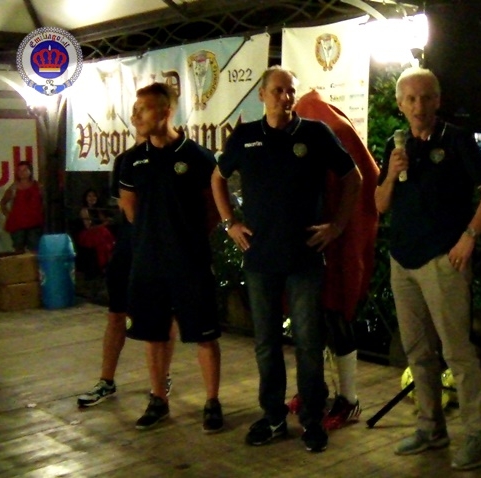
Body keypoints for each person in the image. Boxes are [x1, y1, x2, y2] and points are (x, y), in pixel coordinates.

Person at [210, 66, 362, 453]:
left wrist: (337, 226)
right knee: (266, 344)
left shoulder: (315, 133)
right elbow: (217, 178)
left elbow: (354, 177)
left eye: (290, 91)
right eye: (278, 91)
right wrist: (229, 223)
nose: (285, 97)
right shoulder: (245, 136)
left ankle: (312, 419)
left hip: (305, 257)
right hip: (260, 258)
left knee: (309, 344)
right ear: (262, 95)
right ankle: (274, 417)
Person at [375, 66, 481, 471]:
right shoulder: (394, 146)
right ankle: (431, 428)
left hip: (442, 260)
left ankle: (479, 436)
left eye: (426, 97)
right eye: (411, 99)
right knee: (418, 351)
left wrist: (470, 236)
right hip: (403, 261)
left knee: (457, 353)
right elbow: (379, 205)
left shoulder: (456, 139)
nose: (419, 106)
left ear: (438, 100)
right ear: (400, 104)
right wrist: (391, 175)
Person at [119, 83, 223, 433]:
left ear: (165, 111)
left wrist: (185, 238)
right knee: (154, 334)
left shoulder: (197, 157)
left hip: (190, 262)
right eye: (135, 109)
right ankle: (158, 399)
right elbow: (130, 209)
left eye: (143, 109)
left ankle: (212, 402)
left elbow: (213, 209)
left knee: (204, 334)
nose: (135, 115)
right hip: (148, 263)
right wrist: (155, 238)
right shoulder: (131, 161)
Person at [290, 89, 380, 430]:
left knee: (335, 313)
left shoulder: (331, 128)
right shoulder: (307, 126)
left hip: (335, 240)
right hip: (309, 239)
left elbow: (362, 180)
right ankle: (314, 389)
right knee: (309, 318)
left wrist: (341, 227)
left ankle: (350, 399)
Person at [77, 125, 177, 408]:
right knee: (116, 314)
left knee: (163, 317)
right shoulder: (126, 160)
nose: (141, 120)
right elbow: (127, 207)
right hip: (130, 247)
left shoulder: (175, 157)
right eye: (138, 114)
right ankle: (106, 380)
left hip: (161, 250)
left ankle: (161, 379)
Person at [0, 161, 44, 252]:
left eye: (24, 170)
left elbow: (45, 203)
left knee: (34, 250)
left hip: (34, 223)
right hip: (17, 224)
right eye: (19, 170)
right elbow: (3, 202)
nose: (22, 172)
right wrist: (8, 215)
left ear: (30, 171)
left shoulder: (38, 186)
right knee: (19, 250)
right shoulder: (13, 188)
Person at [76, 188, 116, 271]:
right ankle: (103, 264)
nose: (92, 198)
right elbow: (88, 227)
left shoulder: (98, 209)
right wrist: (104, 224)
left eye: (94, 196)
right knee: (102, 232)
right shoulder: (84, 210)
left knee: (104, 233)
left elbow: (104, 220)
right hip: (87, 233)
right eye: (89, 196)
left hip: (99, 232)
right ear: (86, 198)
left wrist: (108, 220)